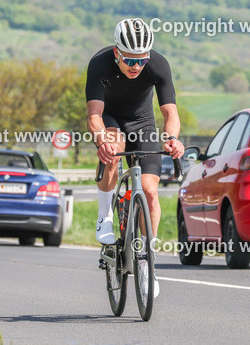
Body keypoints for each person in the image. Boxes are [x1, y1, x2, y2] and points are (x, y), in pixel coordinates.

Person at [86, 18, 185, 299]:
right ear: (116, 52)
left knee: (150, 192)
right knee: (113, 150)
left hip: (143, 123)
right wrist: (101, 140)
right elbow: (94, 114)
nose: (136, 66)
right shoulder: (100, 63)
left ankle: (147, 261)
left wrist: (172, 138)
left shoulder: (158, 64)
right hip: (110, 119)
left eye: (141, 60)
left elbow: (170, 112)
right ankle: (105, 217)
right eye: (130, 59)